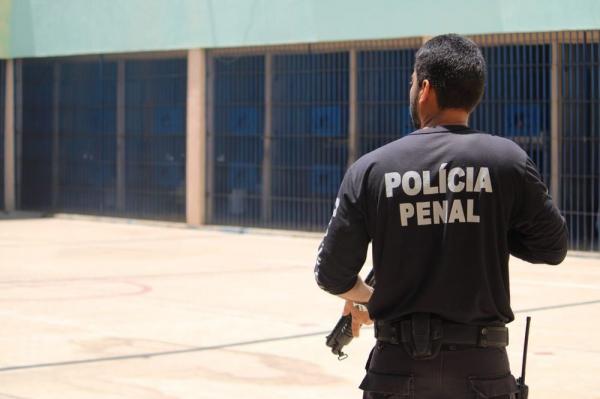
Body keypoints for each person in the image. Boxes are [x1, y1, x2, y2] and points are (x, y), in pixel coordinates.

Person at [314, 34, 568, 399]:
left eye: (413, 81)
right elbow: (552, 247)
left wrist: (371, 297)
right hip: (482, 370)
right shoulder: (507, 161)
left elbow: (330, 273)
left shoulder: (371, 169)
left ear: (425, 89)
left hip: (396, 370)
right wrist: (489, 220)